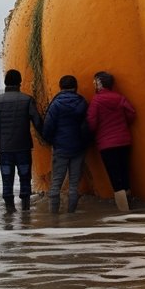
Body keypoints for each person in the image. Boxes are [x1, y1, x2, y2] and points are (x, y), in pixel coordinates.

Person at [0, 69, 43, 211]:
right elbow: (38, 122)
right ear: (20, 82)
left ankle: (9, 209)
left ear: (5, 82)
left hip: (5, 148)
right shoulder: (27, 99)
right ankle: (25, 208)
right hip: (23, 146)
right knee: (24, 177)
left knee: (7, 178)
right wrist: (48, 137)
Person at [86, 71, 136, 211]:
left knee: (114, 176)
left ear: (100, 83)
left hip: (106, 144)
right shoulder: (119, 97)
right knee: (124, 172)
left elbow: (92, 123)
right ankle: (130, 202)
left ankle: (124, 211)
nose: (94, 84)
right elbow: (131, 113)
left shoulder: (96, 101)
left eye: (95, 82)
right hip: (124, 141)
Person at [42, 75, 91, 213]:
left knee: (56, 183)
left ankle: (54, 215)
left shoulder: (56, 104)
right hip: (79, 148)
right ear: (76, 87)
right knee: (74, 185)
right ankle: (71, 214)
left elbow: (48, 127)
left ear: (60, 87)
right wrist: (85, 142)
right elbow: (88, 125)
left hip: (61, 148)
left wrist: (52, 141)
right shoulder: (82, 102)